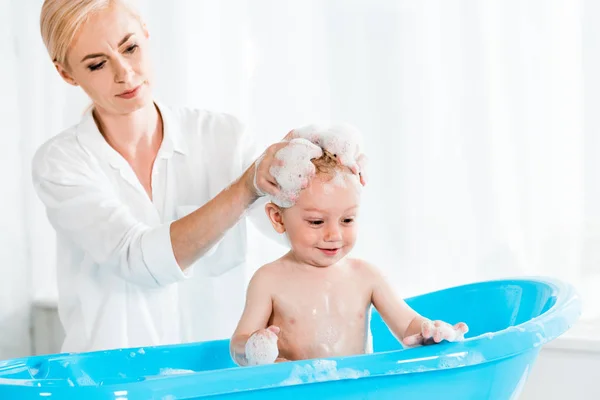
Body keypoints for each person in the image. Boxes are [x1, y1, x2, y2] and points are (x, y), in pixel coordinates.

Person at [33, 0, 367, 353]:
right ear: (67, 74)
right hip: (112, 382)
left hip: (219, 376)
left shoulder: (223, 138)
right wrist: (244, 188)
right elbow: (137, 260)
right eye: (97, 64)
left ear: (146, 33)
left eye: (130, 47)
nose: (124, 73)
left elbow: (293, 226)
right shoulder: (62, 162)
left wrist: (322, 164)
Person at [230, 151, 467, 366]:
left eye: (347, 220)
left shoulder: (366, 276)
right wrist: (255, 346)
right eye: (316, 222)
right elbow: (238, 344)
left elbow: (408, 325)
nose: (334, 235)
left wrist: (430, 332)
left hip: (357, 389)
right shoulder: (269, 280)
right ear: (278, 218)